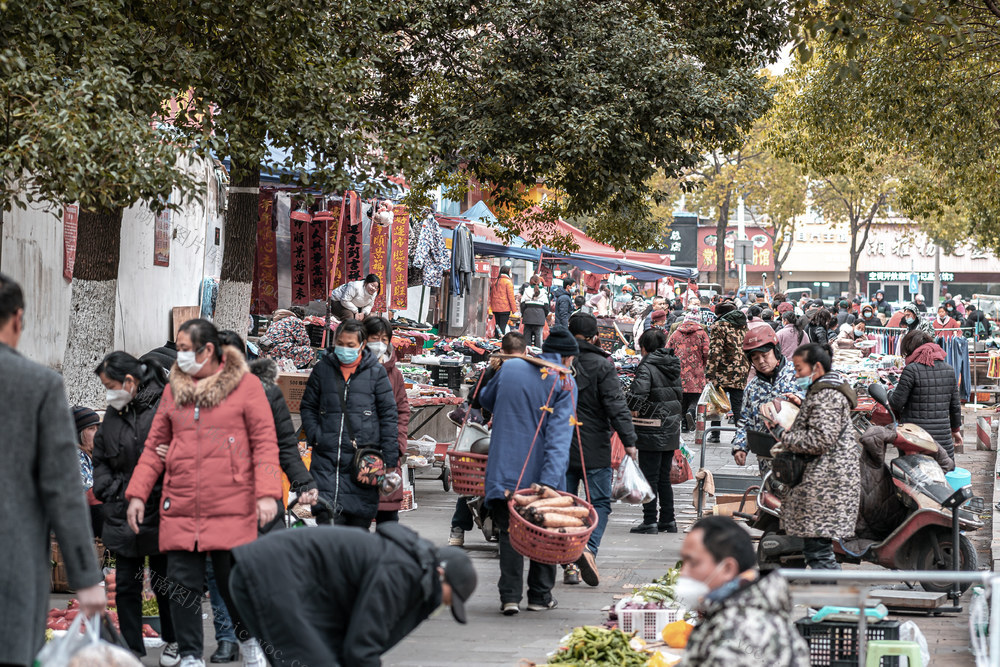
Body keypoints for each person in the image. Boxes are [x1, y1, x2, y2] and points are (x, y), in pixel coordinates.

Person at [125, 318, 282, 666]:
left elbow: (265, 443)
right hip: (181, 502)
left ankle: (249, 640)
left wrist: (267, 493)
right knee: (182, 584)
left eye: (185, 349)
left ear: (207, 350)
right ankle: (191, 655)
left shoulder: (245, 386)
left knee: (231, 583)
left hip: (231, 502)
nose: (178, 356)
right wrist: (137, 494)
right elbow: (154, 447)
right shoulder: (175, 389)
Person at [0, 272, 105, 667]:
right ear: (17, 319)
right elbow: (63, 488)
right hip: (13, 563)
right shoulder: (38, 385)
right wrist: (86, 576)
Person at [227, 525, 476, 667]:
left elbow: (350, 641)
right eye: (449, 598)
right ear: (441, 573)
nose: (444, 604)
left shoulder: (410, 568)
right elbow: (362, 647)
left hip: (270, 573)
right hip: (267, 572)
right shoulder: (400, 572)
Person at [479, 327, 578, 615]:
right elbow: (560, 437)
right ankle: (539, 596)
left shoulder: (511, 368)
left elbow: (485, 399)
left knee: (510, 533)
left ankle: (509, 597)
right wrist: (550, 482)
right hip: (540, 474)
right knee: (543, 533)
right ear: (567, 358)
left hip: (504, 472)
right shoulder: (564, 380)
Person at [92, 353, 178, 662]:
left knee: (166, 583)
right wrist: (115, 490)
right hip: (121, 510)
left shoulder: (165, 405)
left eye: (110, 386)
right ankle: (131, 648)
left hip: (161, 510)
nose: (109, 393)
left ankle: (174, 640)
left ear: (129, 381)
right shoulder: (115, 413)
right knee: (126, 586)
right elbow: (101, 458)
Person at [766, 343, 860, 570]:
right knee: (818, 551)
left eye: (800, 369)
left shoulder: (826, 396)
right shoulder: (824, 393)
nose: (797, 375)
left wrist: (783, 435)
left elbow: (819, 440)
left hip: (825, 486)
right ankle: (826, 593)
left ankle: (827, 592)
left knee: (819, 553)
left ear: (816, 367)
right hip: (824, 484)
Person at [300, 319, 399, 529]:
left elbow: (389, 417)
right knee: (328, 529)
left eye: (350, 345)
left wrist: (391, 463)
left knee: (357, 532)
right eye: (340, 344)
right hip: (326, 461)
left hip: (362, 463)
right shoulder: (322, 369)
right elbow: (308, 406)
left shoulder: (376, 372)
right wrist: (316, 435)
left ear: (362, 345)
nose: (344, 349)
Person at [563, 314, 638, 585]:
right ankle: (587, 549)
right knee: (599, 503)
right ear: (595, 336)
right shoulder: (602, 365)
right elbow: (616, 405)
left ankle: (569, 564)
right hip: (594, 446)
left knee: (564, 504)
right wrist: (629, 441)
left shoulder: (559, 362)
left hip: (560, 446)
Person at [678, 517, 810, 667]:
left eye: (693, 562)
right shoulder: (736, 612)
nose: (684, 572)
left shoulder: (743, 634)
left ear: (727, 568)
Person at [449, 331, 527, 547]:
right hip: (510, 438)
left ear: (502, 350)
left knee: (474, 479)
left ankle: (457, 529)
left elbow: (476, 399)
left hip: (493, 435)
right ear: (525, 351)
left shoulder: (493, 370)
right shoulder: (529, 372)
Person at [627, 329, 683, 534]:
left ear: (644, 347)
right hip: (670, 427)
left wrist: (628, 402)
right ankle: (668, 520)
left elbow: (637, 398)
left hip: (651, 428)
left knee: (649, 476)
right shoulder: (672, 364)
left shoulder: (647, 366)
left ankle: (650, 520)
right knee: (663, 478)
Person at [362, 317, 412, 524]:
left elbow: (402, 410)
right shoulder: (351, 369)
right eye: (375, 338)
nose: (379, 344)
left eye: (384, 339)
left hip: (388, 450)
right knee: (359, 515)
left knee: (388, 513)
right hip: (359, 451)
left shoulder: (395, 374)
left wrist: (399, 442)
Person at [731, 327, 800, 467]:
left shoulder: (799, 376)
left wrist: (801, 403)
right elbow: (746, 420)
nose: (761, 361)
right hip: (766, 460)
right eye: (755, 358)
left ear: (776, 351)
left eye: (765, 355)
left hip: (798, 457)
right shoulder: (752, 388)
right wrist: (740, 446)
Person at [889, 330, 962, 459]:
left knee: (914, 469)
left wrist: (890, 393)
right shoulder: (949, 369)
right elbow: (955, 406)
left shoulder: (911, 370)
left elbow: (896, 403)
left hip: (915, 438)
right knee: (942, 469)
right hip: (942, 438)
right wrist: (955, 430)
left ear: (910, 348)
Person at [704, 301, 749, 444]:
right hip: (741, 369)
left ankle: (715, 434)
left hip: (722, 371)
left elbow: (715, 351)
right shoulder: (743, 325)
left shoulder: (719, 326)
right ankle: (740, 435)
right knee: (737, 404)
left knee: (717, 403)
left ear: (719, 314)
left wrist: (709, 373)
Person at [667, 311, 710, 432]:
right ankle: (691, 411)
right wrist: (704, 363)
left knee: (682, 396)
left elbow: (668, 349)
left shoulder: (676, 333)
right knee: (696, 394)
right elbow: (707, 351)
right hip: (697, 369)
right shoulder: (701, 333)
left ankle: (684, 424)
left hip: (679, 369)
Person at [72, 406, 105, 539]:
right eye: (91, 429)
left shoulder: (90, 455)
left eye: (98, 428)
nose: (97, 433)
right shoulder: (75, 456)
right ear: (78, 434)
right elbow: (90, 496)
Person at [520, 275, 550, 347]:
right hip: (539, 317)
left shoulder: (526, 291)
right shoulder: (544, 292)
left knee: (527, 338)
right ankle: (538, 352)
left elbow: (522, 305)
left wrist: (524, 314)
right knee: (538, 339)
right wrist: (544, 315)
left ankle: (527, 352)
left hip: (528, 317)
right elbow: (546, 307)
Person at [489, 266, 517, 337]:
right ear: (507, 272)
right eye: (510, 271)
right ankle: (501, 340)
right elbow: (511, 297)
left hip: (495, 308)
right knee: (502, 326)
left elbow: (491, 295)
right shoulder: (508, 282)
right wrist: (514, 310)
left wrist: (492, 307)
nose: (510, 273)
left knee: (497, 325)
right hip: (504, 308)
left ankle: (496, 338)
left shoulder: (496, 281)